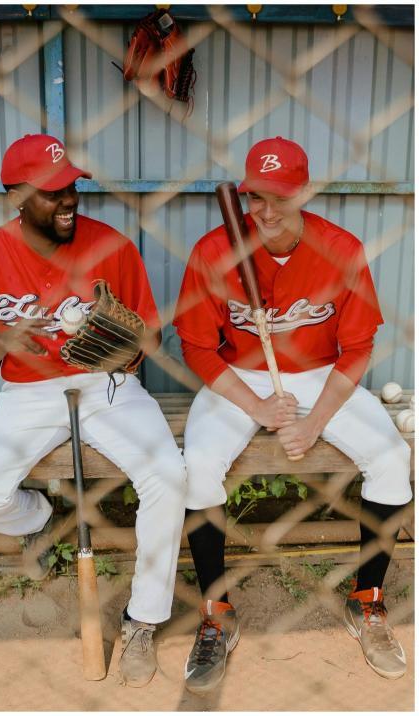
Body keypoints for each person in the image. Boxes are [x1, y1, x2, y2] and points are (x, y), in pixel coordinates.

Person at [0, 133, 187, 688]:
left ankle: (144, 619)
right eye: (52, 191)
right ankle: (40, 521)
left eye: (71, 186)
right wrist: (4, 341)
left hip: (106, 386)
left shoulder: (112, 246)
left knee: (169, 476)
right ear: (17, 197)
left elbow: (149, 339)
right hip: (27, 392)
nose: (68, 199)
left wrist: (122, 341)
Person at [173, 137, 412, 693]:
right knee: (200, 464)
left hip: (321, 375)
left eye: (281, 196)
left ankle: (367, 599)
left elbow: (356, 349)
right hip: (241, 377)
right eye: (256, 196)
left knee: (392, 458)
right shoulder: (215, 251)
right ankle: (217, 610)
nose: (267, 211)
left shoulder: (341, 248)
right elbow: (197, 347)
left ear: (304, 191)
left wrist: (311, 421)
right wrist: (257, 405)